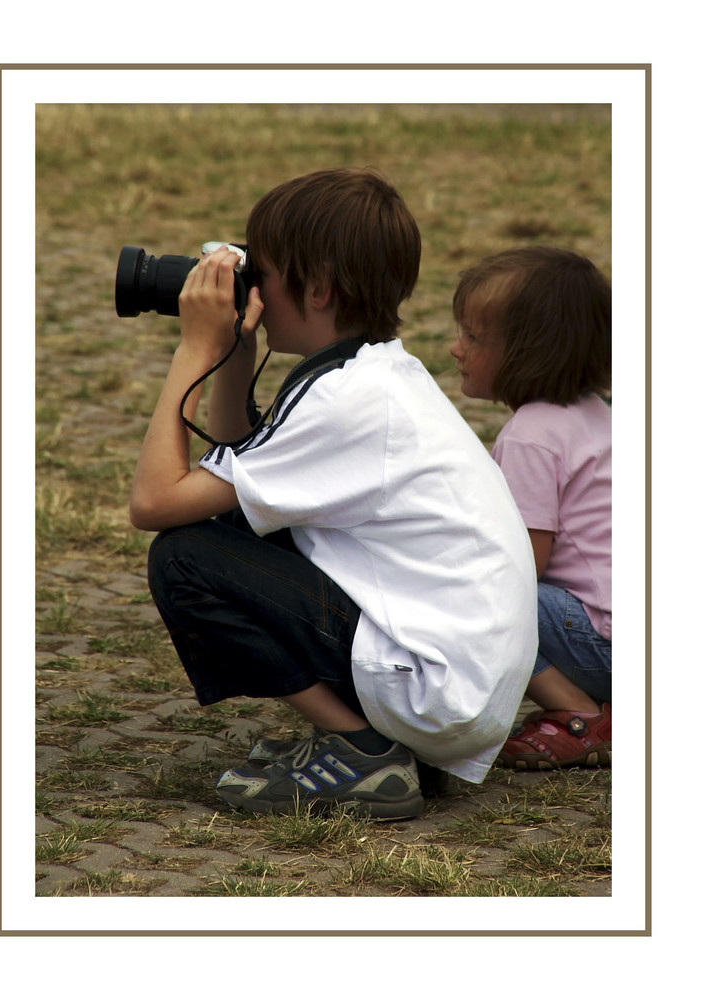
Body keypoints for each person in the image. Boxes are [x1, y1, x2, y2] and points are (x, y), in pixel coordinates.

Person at [130, 168, 538, 819]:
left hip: (437, 688)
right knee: (233, 516)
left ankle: (362, 751)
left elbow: (153, 503)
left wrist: (192, 348)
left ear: (316, 288)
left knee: (184, 556)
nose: (251, 287)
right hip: (454, 676)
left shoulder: (352, 400)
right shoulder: (367, 372)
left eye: (262, 272)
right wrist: (233, 354)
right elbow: (240, 462)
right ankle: (369, 735)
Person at [450, 246, 612, 769]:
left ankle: (580, 713)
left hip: (603, 644)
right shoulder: (596, 414)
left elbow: (522, 568)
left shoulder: (531, 436)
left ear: (531, 352)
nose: (456, 349)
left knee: (481, 595)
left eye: (473, 337)